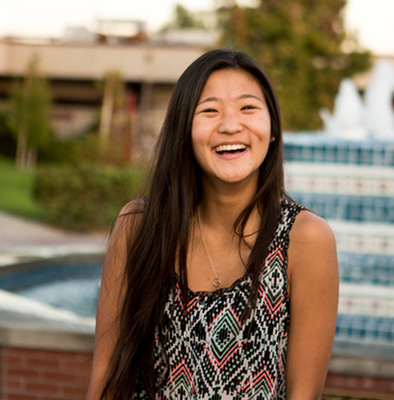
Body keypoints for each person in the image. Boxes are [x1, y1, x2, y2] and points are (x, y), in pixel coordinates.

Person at [86, 48, 339, 400]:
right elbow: (106, 378)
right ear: (184, 130)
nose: (230, 125)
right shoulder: (139, 227)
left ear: (273, 129)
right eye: (209, 110)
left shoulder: (305, 239)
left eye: (248, 108)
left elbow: (304, 394)